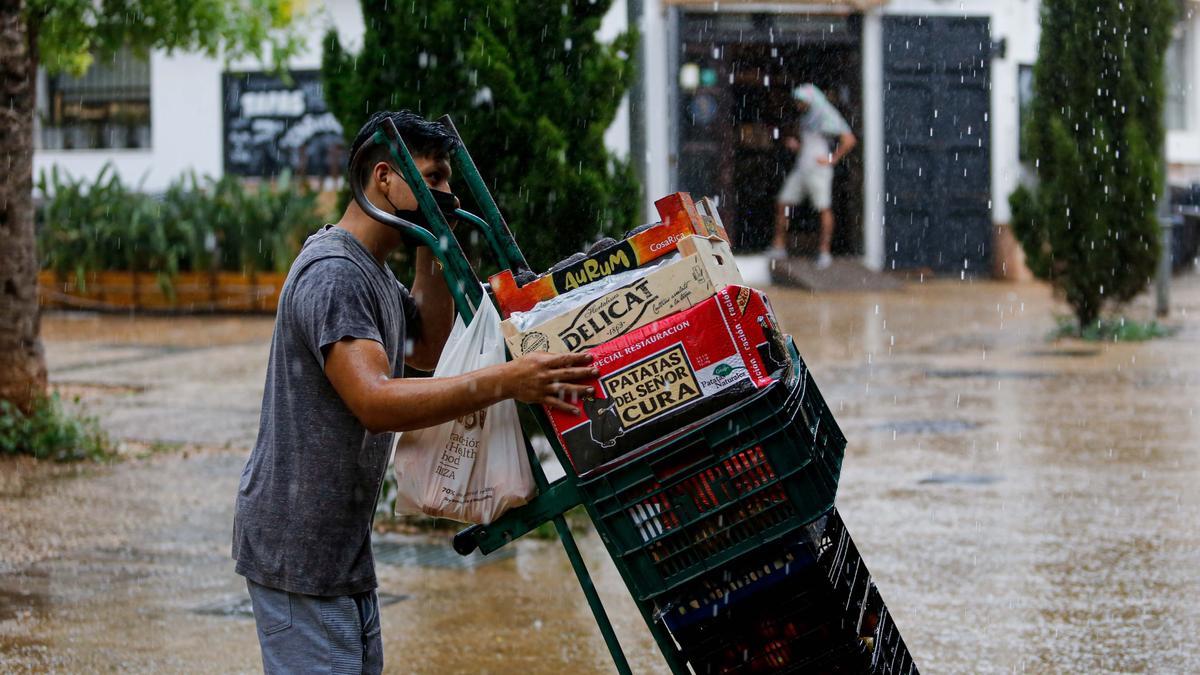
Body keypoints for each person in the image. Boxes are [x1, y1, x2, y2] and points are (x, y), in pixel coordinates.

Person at [231, 110, 597, 674]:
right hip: (298, 551)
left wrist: (436, 241)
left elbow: (425, 347)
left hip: (336, 549)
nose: (447, 194)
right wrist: (507, 381)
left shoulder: (371, 270)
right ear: (383, 178)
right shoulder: (334, 274)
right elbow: (375, 401)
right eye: (433, 179)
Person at [769, 84, 857, 269]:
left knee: (823, 208)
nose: (798, 105)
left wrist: (833, 159)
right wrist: (797, 146)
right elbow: (808, 144)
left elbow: (849, 139)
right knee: (783, 202)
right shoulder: (807, 118)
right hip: (803, 166)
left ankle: (824, 252)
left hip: (818, 169)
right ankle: (779, 246)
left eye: (800, 102)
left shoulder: (826, 115)